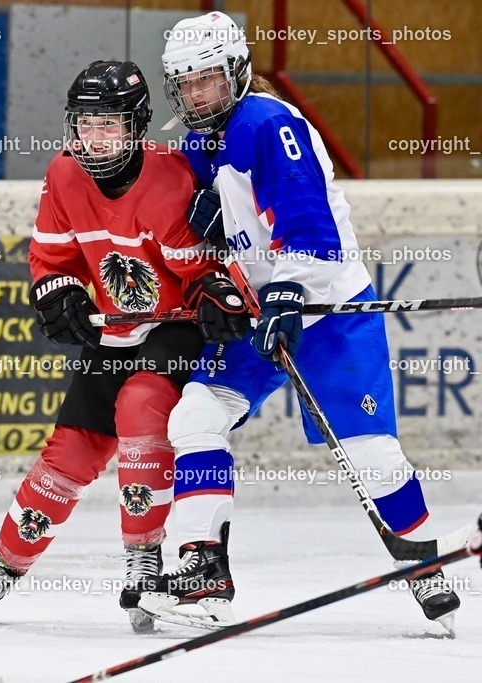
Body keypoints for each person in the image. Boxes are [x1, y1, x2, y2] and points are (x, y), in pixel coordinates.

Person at [138, 11, 460, 632]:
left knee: (371, 454)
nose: (197, 94)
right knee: (197, 416)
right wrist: (216, 273)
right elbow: (218, 235)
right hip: (261, 311)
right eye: (187, 83)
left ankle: (425, 566)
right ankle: (204, 574)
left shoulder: (267, 122)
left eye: (208, 79)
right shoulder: (200, 143)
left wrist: (288, 291)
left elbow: (308, 223)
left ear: (236, 72)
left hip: (326, 309)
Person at [0, 60, 247, 632]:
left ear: (136, 126)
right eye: (85, 124)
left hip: (174, 328)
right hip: (115, 330)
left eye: (109, 125)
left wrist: (214, 290)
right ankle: (3, 566)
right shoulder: (63, 174)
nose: (95, 138)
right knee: (71, 451)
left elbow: (203, 270)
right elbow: (52, 259)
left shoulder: (172, 175)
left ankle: (144, 558)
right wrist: (58, 293)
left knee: (141, 409)